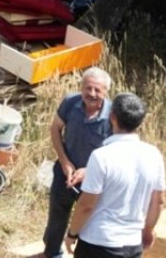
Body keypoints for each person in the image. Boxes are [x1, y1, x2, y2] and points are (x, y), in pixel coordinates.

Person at [64, 93, 166, 258]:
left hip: (98, 242)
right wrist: (148, 229)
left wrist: (72, 234)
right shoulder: (154, 154)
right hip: (133, 244)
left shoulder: (101, 156)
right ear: (141, 121)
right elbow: (159, 200)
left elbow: (86, 205)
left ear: (112, 117)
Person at [33, 68, 114, 258]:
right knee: (56, 218)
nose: (92, 94)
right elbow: (55, 129)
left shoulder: (113, 116)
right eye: (88, 88)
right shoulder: (70, 102)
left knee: (89, 222)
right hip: (65, 172)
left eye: (97, 90)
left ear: (106, 92)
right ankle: (52, 253)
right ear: (81, 87)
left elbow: (115, 152)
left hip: (94, 180)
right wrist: (64, 162)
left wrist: (88, 171)